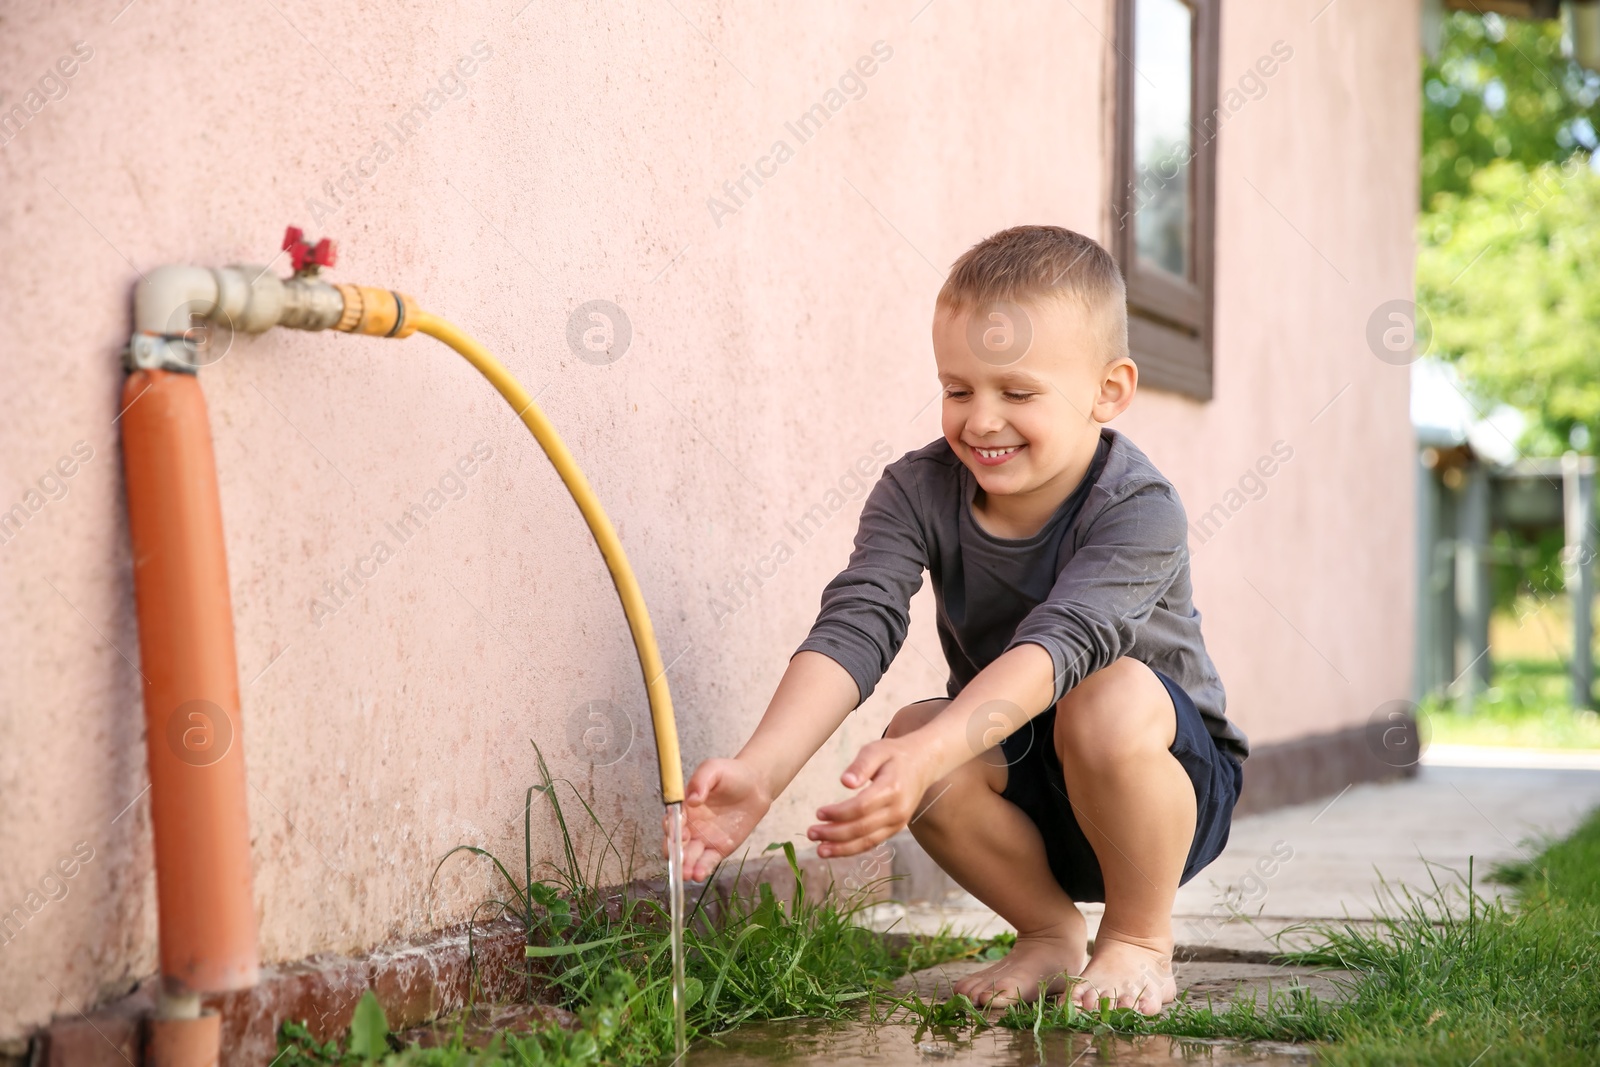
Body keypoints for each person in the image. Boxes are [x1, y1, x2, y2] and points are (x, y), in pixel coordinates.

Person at [662, 225, 1248, 1015]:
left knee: (1097, 696)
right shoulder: (916, 491)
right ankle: (1048, 932)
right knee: (915, 731)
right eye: (958, 388)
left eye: (1017, 391)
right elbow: (856, 623)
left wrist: (926, 751)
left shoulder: (1137, 506)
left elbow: (1062, 645)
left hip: (1163, 786)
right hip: (1031, 783)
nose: (980, 420)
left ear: (1108, 391)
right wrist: (762, 772)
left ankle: (1138, 938)